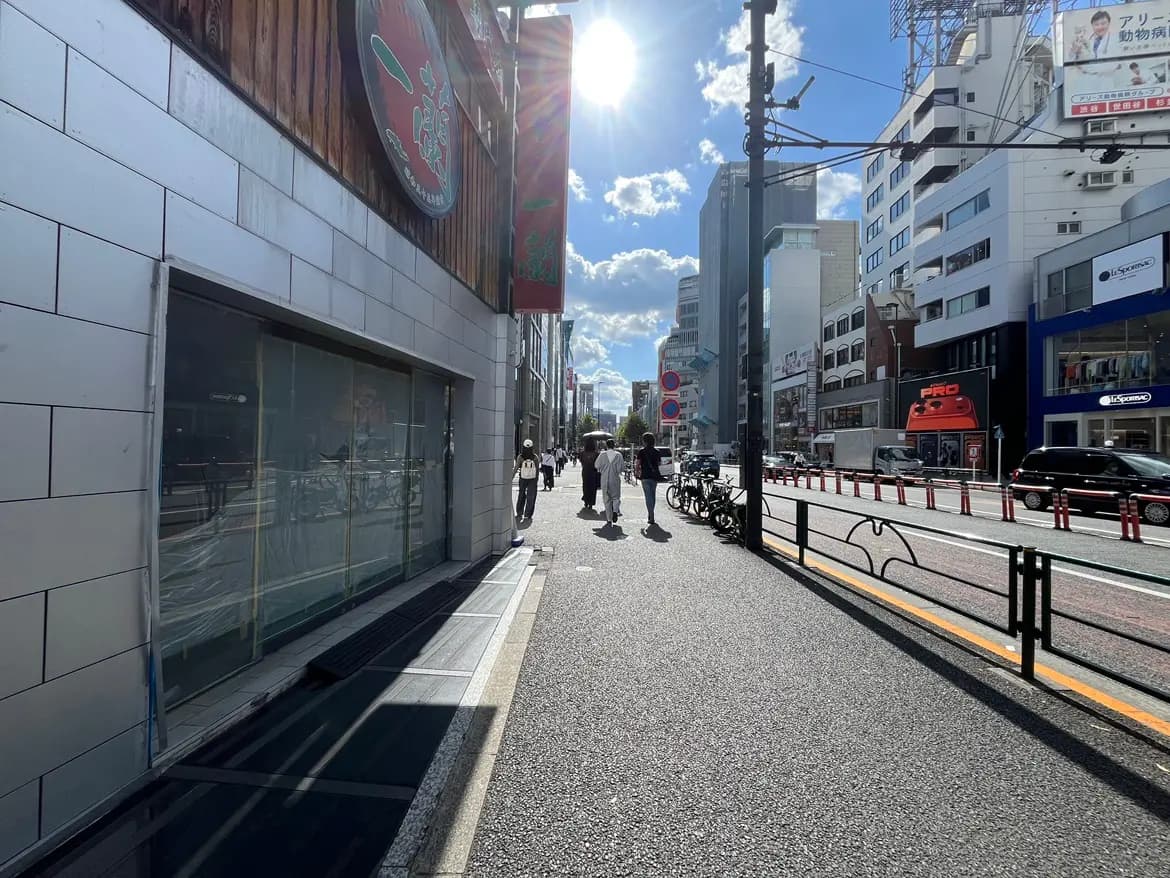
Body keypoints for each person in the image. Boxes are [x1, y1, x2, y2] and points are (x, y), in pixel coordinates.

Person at [634, 432, 664, 527]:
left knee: (648, 496)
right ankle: (651, 513)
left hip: (645, 476)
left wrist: (637, 472)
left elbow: (638, 464)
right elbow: (659, 463)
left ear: (645, 441)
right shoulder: (657, 451)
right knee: (653, 495)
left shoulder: (642, 452)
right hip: (654, 476)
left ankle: (651, 515)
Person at [596, 438, 625, 525]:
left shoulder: (602, 455)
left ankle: (609, 518)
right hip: (615, 479)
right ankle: (615, 511)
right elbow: (621, 468)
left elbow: (596, 465)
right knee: (616, 497)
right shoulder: (618, 455)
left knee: (606, 499)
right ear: (614, 445)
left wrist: (602, 469)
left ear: (607, 445)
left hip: (604, 479)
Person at [512, 439, 539, 520]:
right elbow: (537, 469)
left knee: (521, 495)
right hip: (532, 479)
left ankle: (519, 512)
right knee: (531, 496)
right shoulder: (535, 457)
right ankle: (528, 514)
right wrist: (536, 479)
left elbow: (516, 468)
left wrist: (511, 477)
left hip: (523, 478)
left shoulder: (520, 457)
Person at [580, 437, 600, 510]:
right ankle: (591, 502)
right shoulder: (596, 454)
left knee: (585, 486)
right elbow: (598, 464)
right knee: (592, 487)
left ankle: (586, 500)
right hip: (593, 472)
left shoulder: (582, 453)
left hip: (585, 471)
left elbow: (581, 461)